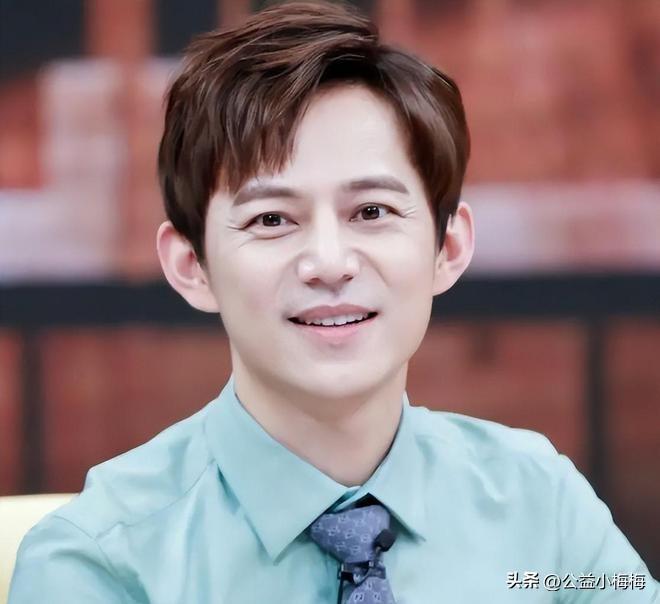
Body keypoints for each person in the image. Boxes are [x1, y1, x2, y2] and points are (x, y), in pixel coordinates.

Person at [9, 1, 659, 602]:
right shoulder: (100, 564)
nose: (328, 263)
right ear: (191, 265)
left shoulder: (541, 507)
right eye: (271, 219)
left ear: (449, 246)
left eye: (371, 211)